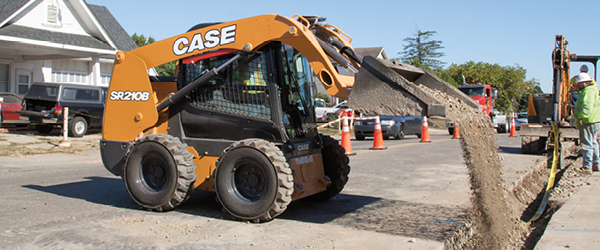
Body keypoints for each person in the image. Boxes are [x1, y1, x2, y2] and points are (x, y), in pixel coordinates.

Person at [574, 72, 600, 174]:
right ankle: (596, 164)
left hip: (587, 121)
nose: (577, 85)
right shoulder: (592, 90)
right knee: (593, 143)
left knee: (586, 144)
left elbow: (586, 107)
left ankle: (587, 167)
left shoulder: (587, 92)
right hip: (594, 121)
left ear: (585, 83)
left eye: (579, 83)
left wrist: (580, 117)